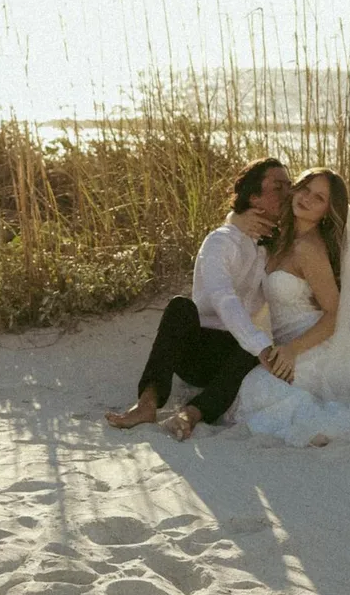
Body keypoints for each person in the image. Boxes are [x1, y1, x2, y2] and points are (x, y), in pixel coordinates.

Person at [105, 157, 294, 440]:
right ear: (254, 197)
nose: (287, 193)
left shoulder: (274, 246)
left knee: (248, 343)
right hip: (196, 349)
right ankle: (146, 404)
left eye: (290, 186)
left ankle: (192, 414)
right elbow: (223, 298)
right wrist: (261, 347)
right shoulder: (220, 241)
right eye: (278, 187)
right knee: (180, 306)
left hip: (234, 358)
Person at [228, 167, 350, 446]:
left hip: (312, 346)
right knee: (251, 383)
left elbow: (333, 314)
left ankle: (319, 428)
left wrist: (293, 350)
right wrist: (236, 217)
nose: (306, 199)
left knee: (257, 387)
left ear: (327, 211)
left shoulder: (309, 249)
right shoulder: (281, 235)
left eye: (318, 198)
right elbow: (236, 222)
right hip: (285, 346)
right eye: (305, 189)